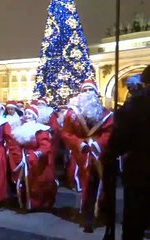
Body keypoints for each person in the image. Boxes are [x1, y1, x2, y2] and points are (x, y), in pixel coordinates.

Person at [103, 65, 150, 240]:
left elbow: (119, 138)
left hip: (141, 168)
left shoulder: (136, 104)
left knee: (134, 220)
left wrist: (110, 154)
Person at [61, 79, 113, 233]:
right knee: (85, 185)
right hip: (81, 155)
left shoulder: (105, 113)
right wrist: (80, 144)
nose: (88, 93)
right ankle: (87, 214)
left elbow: (109, 132)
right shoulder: (71, 114)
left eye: (91, 90)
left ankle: (98, 213)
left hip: (99, 155)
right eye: (85, 91)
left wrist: (98, 144)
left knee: (99, 184)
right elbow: (66, 133)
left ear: (96, 94)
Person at [11, 106, 57, 210]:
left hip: (38, 160)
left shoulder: (40, 129)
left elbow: (45, 146)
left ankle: (38, 203)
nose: (27, 116)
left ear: (35, 116)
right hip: (24, 157)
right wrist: (18, 155)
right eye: (26, 114)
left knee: (38, 182)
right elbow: (16, 144)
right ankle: (27, 202)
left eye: (30, 114)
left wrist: (36, 154)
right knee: (25, 181)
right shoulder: (20, 128)